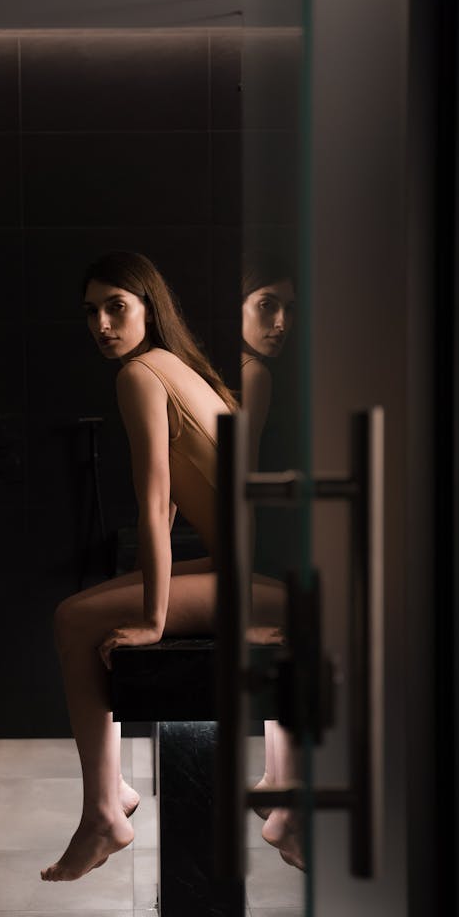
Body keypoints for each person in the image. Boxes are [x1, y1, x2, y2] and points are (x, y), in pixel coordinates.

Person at [41, 251, 285, 882]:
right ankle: (110, 798)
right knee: (84, 611)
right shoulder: (176, 366)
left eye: (117, 307)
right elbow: (185, 486)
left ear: (150, 307)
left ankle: (105, 809)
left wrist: (154, 620)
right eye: (91, 312)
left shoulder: (139, 375)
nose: (102, 324)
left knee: (73, 619)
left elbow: (153, 507)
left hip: (256, 584)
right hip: (258, 571)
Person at [240, 257, 304, 871]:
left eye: (289, 308)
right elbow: (245, 482)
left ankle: (275, 789)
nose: (281, 321)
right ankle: (286, 816)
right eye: (266, 305)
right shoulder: (254, 373)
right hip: (271, 546)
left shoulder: (247, 370)